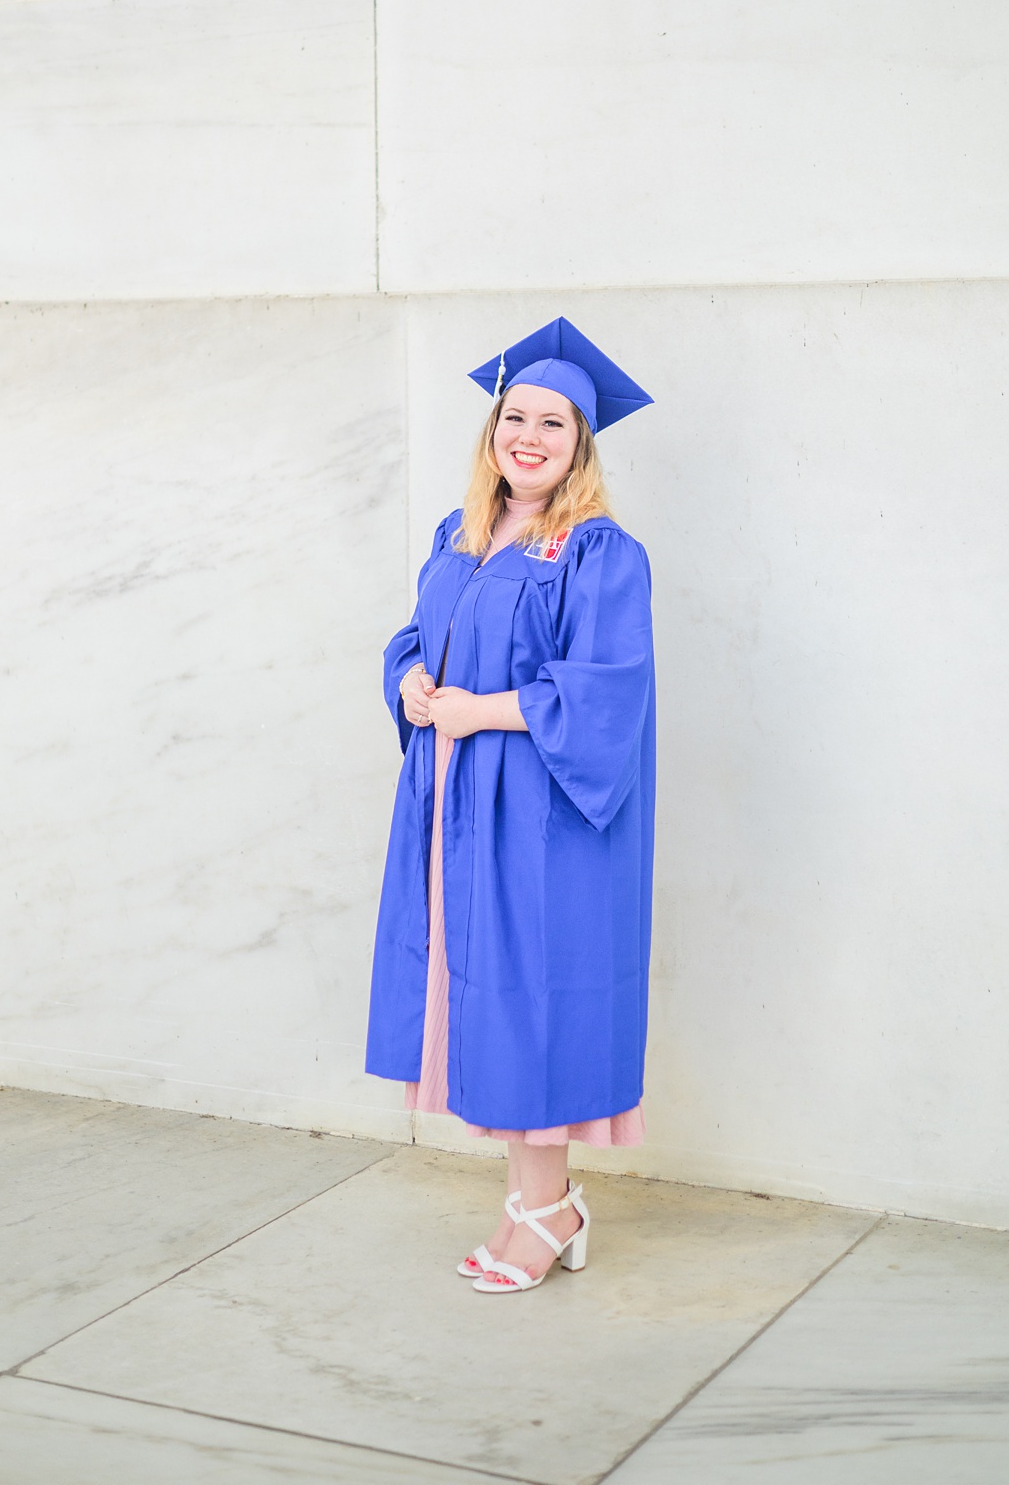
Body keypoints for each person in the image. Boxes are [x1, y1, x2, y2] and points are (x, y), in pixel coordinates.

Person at [365, 317, 656, 1296]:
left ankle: (545, 1212)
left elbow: (605, 689)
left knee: (531, 1002)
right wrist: (410, 682)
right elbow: (415, 636)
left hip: (542, 818)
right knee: (483, 999)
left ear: (581, 445)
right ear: (493, 429)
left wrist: (476, 711)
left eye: (554, 425)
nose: (528, 437)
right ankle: (539, 1207)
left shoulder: (599, 551)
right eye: (514, 417)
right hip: (456, 806)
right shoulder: (462, 534)